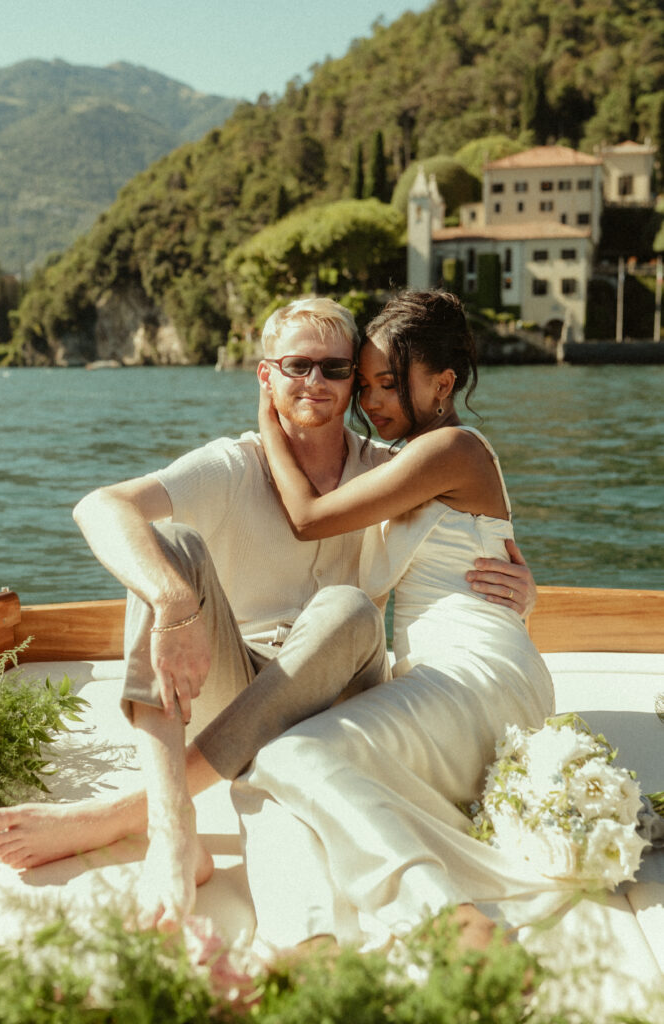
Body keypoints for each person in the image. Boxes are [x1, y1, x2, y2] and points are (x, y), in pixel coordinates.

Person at [0, 295, 534, 935]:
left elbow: (460, 537)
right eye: (297, 366)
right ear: (265, 374)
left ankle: (129, 814)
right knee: (164, 546)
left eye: (337, 371)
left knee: (348, 607)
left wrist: (525, 590)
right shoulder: (233, 463)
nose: (318, 383)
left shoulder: (390, 467)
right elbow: (100, 506)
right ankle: (172, 825)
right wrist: (170, 598)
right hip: (237, 688)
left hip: (339, 685)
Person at [232, 289, 556, 952]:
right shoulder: (400, 461)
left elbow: (308, 520)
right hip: (443, 671)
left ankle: (445, 917)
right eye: (366, 382)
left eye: (387, 382)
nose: (370, 400)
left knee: (291, 754)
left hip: (475, 672)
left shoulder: (453, 449)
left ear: (441, 382)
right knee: (280, 778)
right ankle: (310, 941)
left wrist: (267, 422)